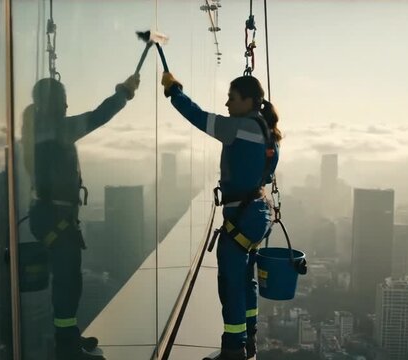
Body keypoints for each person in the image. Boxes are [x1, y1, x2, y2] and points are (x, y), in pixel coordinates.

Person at [161, 73, 281, 360]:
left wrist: (174, 92)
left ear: (248, 101)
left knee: (231, 284)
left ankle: (232, 349)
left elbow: (198, 117)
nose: (226, 103)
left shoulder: (239, 127)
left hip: (242, 213)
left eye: (232, 97)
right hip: (257, 213)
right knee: (245, 280)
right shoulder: (268, 131)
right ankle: (249, 338)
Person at [24, 74, 140, 360]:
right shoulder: (58, 129)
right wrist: (124, 92)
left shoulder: (36, 130)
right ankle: (66, 347)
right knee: (67, 282)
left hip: (48, 216)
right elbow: (100, 115)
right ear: (53, 102)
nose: (67, 105)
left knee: (67, 280)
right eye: (63, 100)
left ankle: (68, 337)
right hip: (57, 218)